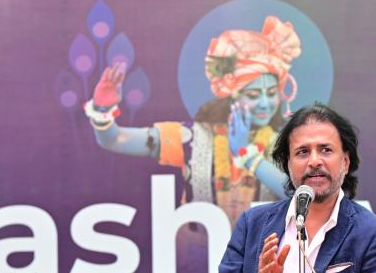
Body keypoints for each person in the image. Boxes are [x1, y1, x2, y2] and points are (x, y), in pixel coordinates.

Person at [84, 16, 302, 226]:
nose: (265, 103)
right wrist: (103, 108)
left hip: (265, 250)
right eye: (253, 95)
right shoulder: (193, 138)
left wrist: (247, 154)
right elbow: (114, 140)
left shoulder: (286, 143)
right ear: (231, 95)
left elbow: (299, 197)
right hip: (198, 249)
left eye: (271, 93)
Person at [210, 103, 376, 273]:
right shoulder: (252, 224)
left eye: (325, 150)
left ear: (345, 162)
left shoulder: (371, 233)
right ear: (288, 165)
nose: (314, 161)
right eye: (303, 152)